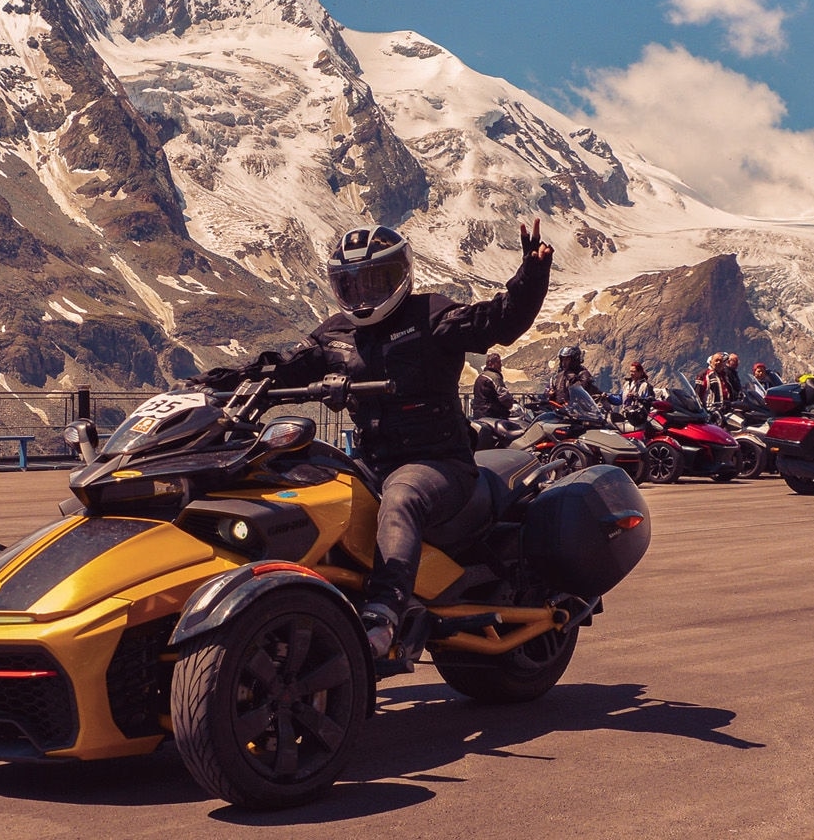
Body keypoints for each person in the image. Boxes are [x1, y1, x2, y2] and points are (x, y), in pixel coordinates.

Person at [196, 220, 553, 658]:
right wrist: (214, 384)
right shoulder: (336, 335)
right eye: (351, 284)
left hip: (440, 463)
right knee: (302, 481)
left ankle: (384, 613)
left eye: (375, 281)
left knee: (402, 496)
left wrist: (532, 273)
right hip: (371, 462)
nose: (363, 294)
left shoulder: (431, 317)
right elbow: (282, 366)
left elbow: (499, 320)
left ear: (400, 275)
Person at [470, 353, 514, 420]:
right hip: (492, 415)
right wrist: (510, 403)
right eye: (498, 362)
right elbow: (504, 395)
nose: (501, 365)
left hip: (478, 414)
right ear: (490, 363)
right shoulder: (494, 377)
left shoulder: (481, 376)